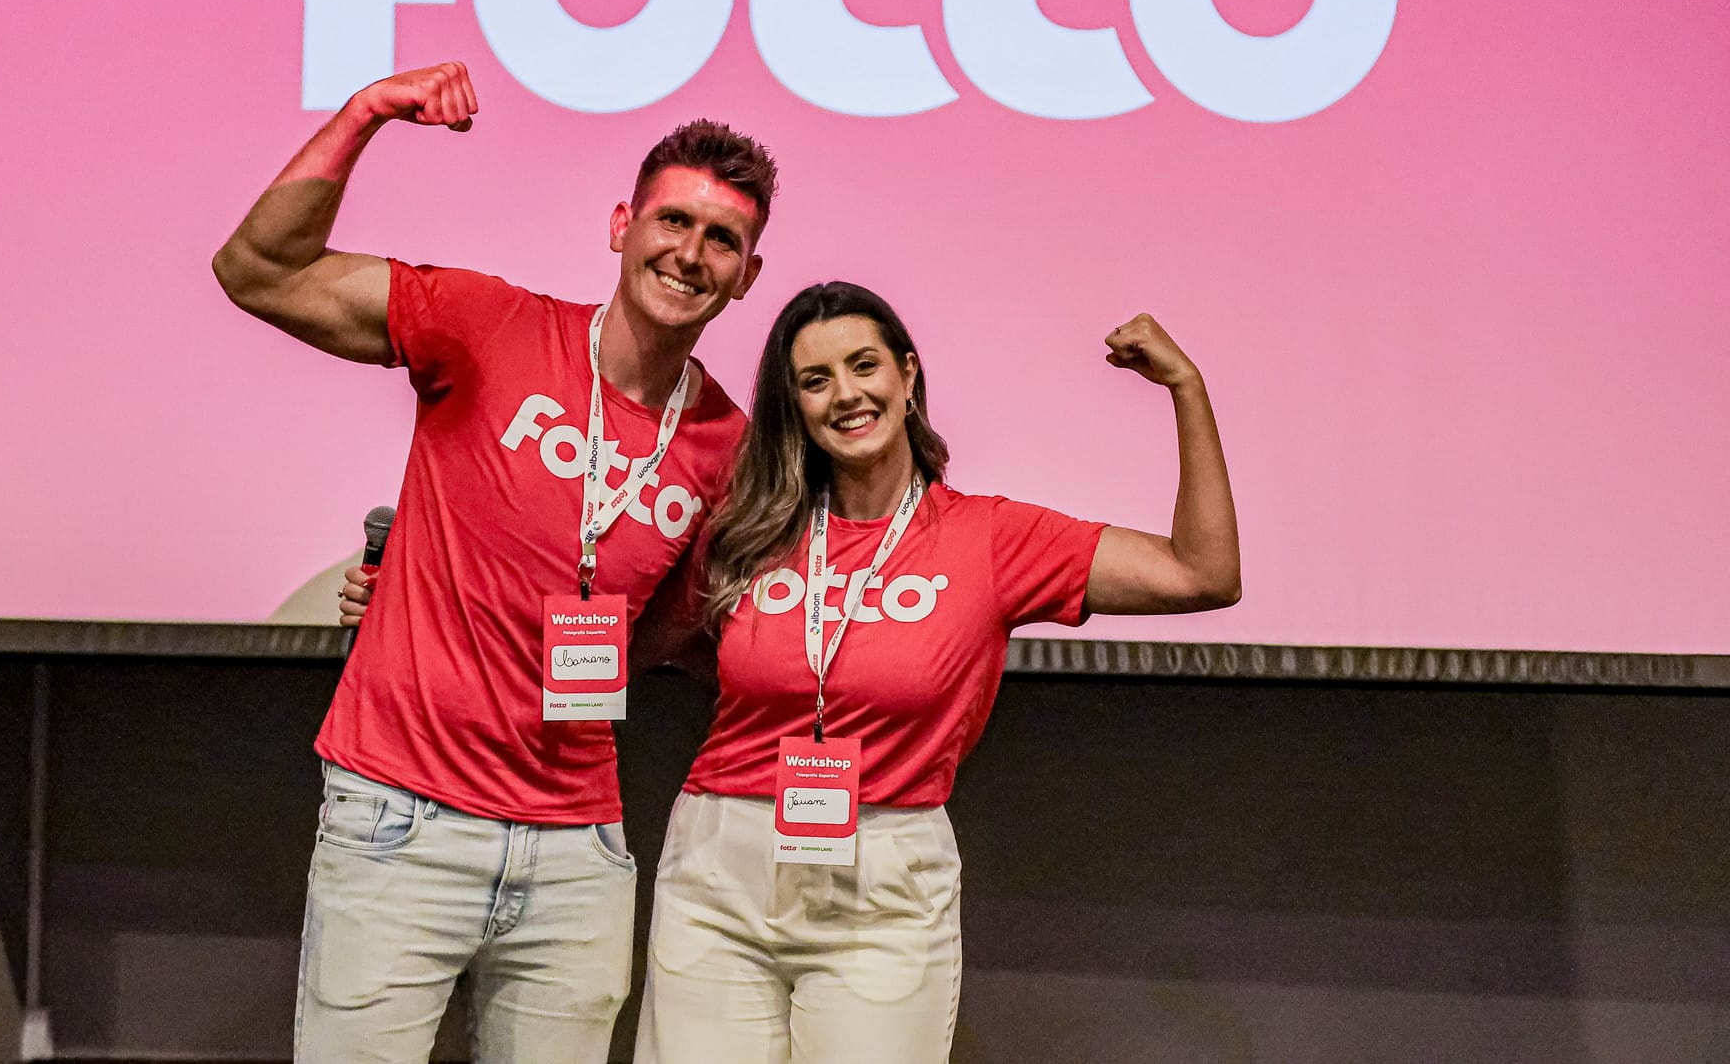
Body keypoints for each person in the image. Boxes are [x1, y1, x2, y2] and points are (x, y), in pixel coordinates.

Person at [212, 60, 776, 1063]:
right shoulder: (486, 325)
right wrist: (364, 112)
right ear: (621, 225)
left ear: (747, 274)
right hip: (401, 820)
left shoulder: (726, 446)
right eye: (672, 221)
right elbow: (256, 270)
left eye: (721, 238)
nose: (690, 253)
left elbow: (676, 637)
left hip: (576, 850)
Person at [632, 281, 1240, 1064]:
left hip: (883, 880)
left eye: (864, 366)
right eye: (816, 380)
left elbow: (1202, 573)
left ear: (907, 373)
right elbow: (650, 640)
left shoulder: (989, 538)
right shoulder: (750, 529)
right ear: (795, 404)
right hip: (720, 867)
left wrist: (1187, 388)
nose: (845, 395)